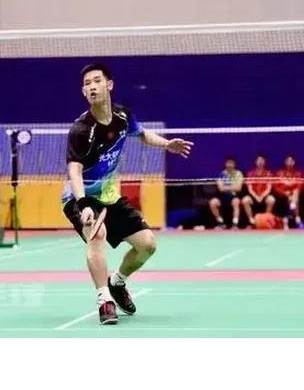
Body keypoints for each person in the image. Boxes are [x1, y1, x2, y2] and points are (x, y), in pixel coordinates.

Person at [62, 63, 193, 325]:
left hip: (109, 196)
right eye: (87, 84)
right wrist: (83, 203)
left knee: (147, 245)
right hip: (80, 197)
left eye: (97, 81)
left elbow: (142, 135)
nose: (92, 87)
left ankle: (117, 282)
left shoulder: (123, 116)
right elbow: (74, 170)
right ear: (83, 92)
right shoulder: (81, 129)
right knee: (97, 234)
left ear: (109, 84)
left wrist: (167, 144)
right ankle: (104, 301)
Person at [208, 156, 244, 229]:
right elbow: (221, 189)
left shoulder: (238, 174)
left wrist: (226, 187)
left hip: (234, 196)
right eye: (228, 163)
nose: (229, 165)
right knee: (212, 203)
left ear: (234, 164)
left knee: (236, 202)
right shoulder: (221, 174)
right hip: (222, 196)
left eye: (231, 163)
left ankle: (235, 224)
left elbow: (238, 188)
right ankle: (221, 223)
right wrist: (232, 187)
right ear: (225, 164)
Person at [241, 154, 275, 226]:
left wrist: (261, 197)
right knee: (245, 200)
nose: (260, 162)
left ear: (265, 162)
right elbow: (250, 189)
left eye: (262, 160)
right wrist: (256, 197)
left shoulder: (268, 173)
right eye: (258, 160)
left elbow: (268, 188)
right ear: (255, 162)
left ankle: (266, 220)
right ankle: (251, 221)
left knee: (271, 199)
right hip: (253, 196)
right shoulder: (250, 173)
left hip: (264, 196)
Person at [273, 154, 303, 229]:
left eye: (291, 161)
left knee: (295, 192)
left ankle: (292, 211)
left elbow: (300, 186)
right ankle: (297, 219)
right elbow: (276, 187)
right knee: (294, 194)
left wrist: (292, 192)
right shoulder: (279, 173)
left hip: (293, 195)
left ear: (294, 162)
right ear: (285, 162)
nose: (289, 162)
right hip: (282, 195)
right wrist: (284, 192)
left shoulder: (298, 173)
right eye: (288, 161)